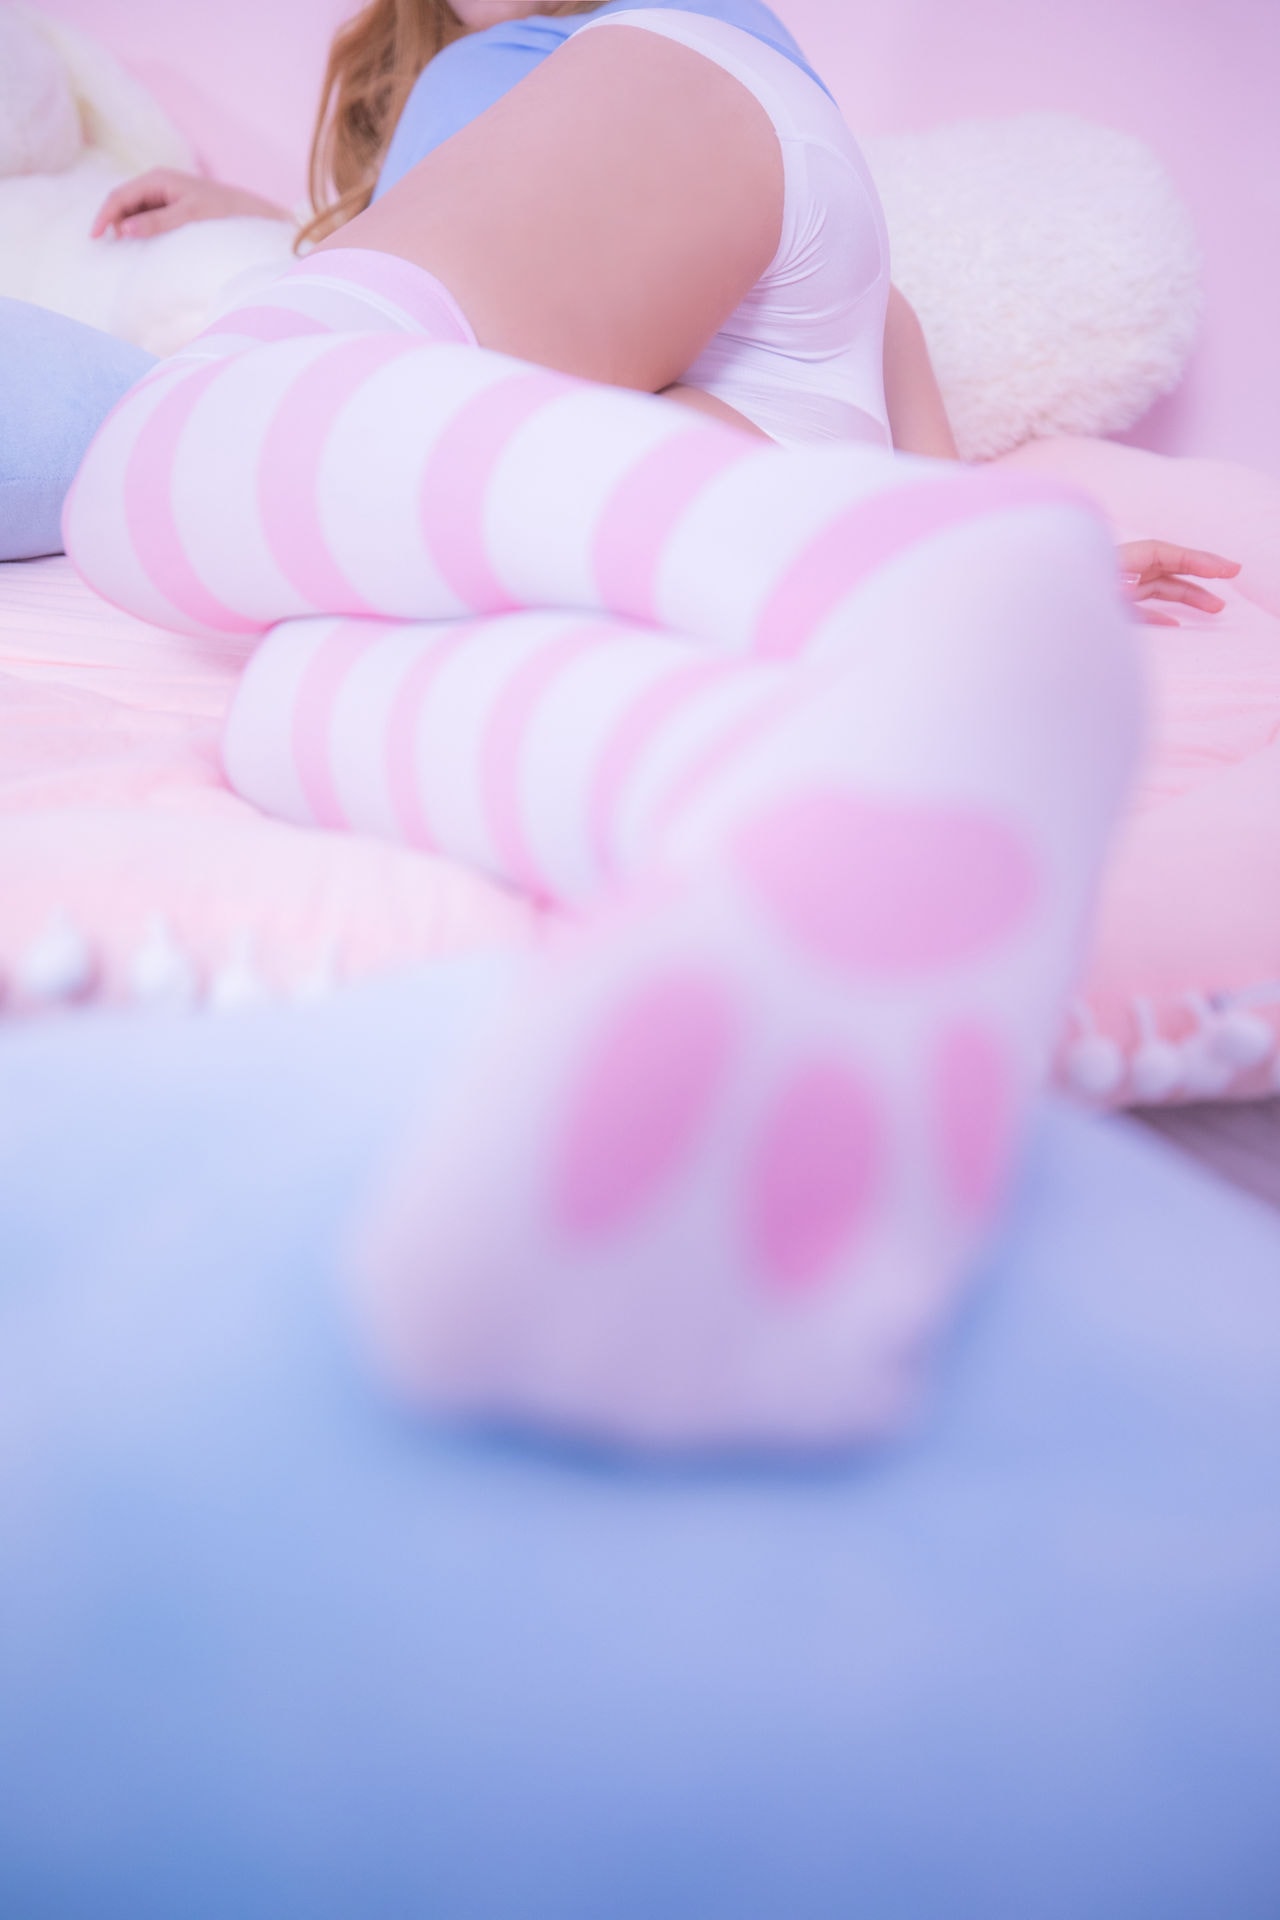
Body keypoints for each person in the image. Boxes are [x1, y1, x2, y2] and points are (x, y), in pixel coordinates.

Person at [58, 4, 1201, 1450]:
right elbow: (482, 285)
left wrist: (947, 519)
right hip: (759, 437)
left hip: (727, 341)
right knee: (293, 700)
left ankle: (872, 568)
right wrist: (275, 221)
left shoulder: (543, 56)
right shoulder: (472, 113)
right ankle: (751, 801)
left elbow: (453, 321)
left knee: (169, 449)